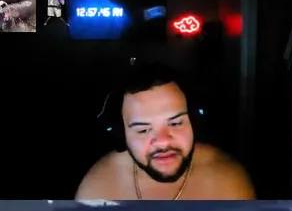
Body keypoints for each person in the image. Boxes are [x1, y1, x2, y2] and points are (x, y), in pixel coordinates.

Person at [75, 63, 255, 200]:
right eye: (143, 130)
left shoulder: (229, 183)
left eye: (175, 123)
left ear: (194, 123)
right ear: (123, 136)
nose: (163, 141)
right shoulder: (97, 189)